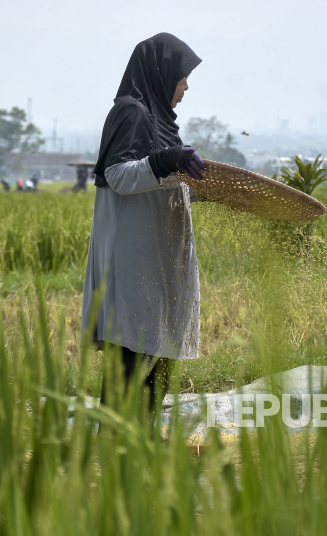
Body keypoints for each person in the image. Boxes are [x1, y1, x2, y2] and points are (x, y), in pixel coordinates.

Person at [82, 33, 206, 411]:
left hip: (157, 261)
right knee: (131, 365)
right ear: (161, 72)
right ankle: (117, 457)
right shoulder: (131, 112)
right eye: (182, 75)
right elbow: (119, 174)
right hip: (133, 264)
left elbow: (160, 181)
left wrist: (203, 189)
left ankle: (142, 455)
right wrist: (166, 160)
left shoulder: (162, 122)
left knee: (157, 363)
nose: (186, 84)